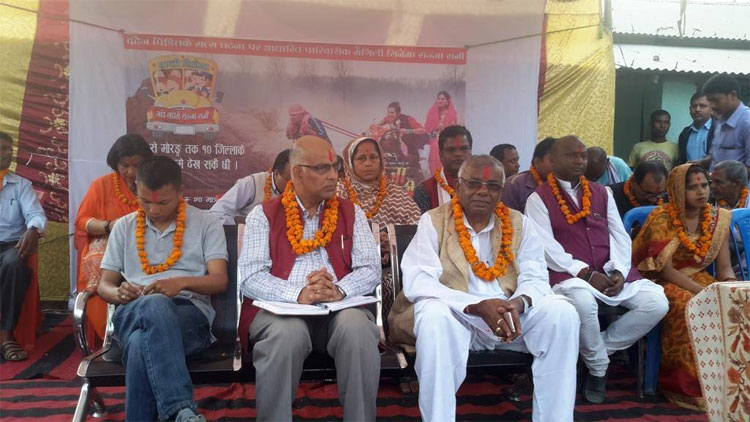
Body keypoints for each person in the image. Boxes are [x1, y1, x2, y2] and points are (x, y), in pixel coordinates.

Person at [388, 155, 579, 422]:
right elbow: (419, 280)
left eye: (492, 186)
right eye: (474, 183)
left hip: (510, 320)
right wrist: (474, 306)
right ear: (458, 185)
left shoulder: (519, 223)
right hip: (458, 318)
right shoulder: (434, 221)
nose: (482, 191)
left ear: (501, 190)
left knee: (563, 313)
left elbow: (535, 276)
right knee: (432, 316)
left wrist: (518, 304)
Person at [239, 136, 381, 421]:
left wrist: (339, 289)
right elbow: (250, 276)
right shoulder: (263, 215)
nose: (333, 176)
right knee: (286, 335)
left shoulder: (351, 212)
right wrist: (298, 294)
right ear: (298, 173)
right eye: (322, 168)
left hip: (340, 309)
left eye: (335, 167)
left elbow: (370, 268)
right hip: (281, 312)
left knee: (358, 330)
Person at [525, 136, 668, 404]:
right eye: (572, 155)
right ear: (553, 160)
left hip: (609, 272)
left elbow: (619, 235)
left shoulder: (602, 193)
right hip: (568, 275)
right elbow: (545, 247)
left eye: (582, 155)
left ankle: (594, 351)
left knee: (657, 303)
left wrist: (619, 271)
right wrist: (586, 274)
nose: (580, 160)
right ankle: (598, 369)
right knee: (583, 303)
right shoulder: (538, 198)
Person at [97, 155, 228, 421]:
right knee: (153, 304)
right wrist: (118, 293)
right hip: (132, 311)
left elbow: (219, 280)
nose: (153, 210)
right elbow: (104, 285)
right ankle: (181, 409)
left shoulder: (207, 223)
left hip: (189, 316)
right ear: (136, 191)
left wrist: (179, 283)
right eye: (145, 201)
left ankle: (174, 412)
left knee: (139, 343)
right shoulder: (124, 227)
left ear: (180, 192)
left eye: (162, 202)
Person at [632, 163, 735, 410]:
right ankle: (689, 389)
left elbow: (724, 269)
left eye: (704, 185)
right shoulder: (663, 218)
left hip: (701, 280)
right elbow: (665, 270)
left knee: (737, 306)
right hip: (663, 282)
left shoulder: (718, 219)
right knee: (692, 305)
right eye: (692, 187)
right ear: (678, 190)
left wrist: (732, 289)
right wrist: (704, 294)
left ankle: (730, 384)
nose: (701, 192)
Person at [74, 134, 154, 342]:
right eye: (124, 165)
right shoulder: (101, 185)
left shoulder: (156, 184)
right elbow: (82, 221)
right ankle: (108, 336)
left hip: (151, 244)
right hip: (111, 245)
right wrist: (109, 226)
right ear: (115, 164)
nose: (131, 172)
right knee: (98, 261)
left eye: (137, 165)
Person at [337, 136, 421, 268]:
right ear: (349, 163)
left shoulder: (393, 190)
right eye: (361, 158)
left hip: (394, 267)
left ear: (381, 160)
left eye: (373, 157)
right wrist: (371, 242)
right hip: (350, 267)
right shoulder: (339, 192)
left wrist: (393, 241)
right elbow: (333, 233)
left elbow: (417, 228)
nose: (368, 163)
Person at [0, 132, 46, 361]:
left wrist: (33, 230)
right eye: (2, 148)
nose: (8, 153)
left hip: (10, 245)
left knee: (14, 265)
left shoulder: (21, 185)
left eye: (10, 149)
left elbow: (35, 214)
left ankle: (5, 335)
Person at [209, 149, 291, 225]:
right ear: (276, 173)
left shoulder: (298, 191)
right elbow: (216, 214)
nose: (294, 185)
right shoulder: (251, 183)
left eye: (297, 179)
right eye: (289, 180)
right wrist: (244, 225)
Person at [413, 125, 472, 214]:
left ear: (471, 152)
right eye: (451, 150)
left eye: (464, 149)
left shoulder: (483, 187)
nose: (458, 154)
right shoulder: (424, 190)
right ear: (440, 155)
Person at [703, 74, 750, 171]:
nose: (712, 105)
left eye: (715, 100)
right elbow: (715, 156)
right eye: (709, 101)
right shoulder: (720, 121)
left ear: (732, 95)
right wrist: (698, 164)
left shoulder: (747, 123)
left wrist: (724, 177)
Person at [501, 137, 556, 213]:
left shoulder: (567, 184)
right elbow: (508, 217)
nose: (559, 164)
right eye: (552, 160)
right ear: (537, 162)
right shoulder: (514, 185)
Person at [378, 101, 428, 174]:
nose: (389, 114)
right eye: (388, 112)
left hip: (416, 148)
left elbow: (423, 130)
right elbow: (378, 125)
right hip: (403, 149)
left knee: (419, 169)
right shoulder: (388, 118)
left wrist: (408, 131)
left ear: (398, 113)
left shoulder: (409, 119)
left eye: (392, 113)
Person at [424, 91, 458, 174]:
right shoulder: (432, 112)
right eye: (439, 99)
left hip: (447, 139)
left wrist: (447, 127)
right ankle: (436, 176)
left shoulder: (452, 113)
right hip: (434, 139)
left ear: (447, 101)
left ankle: (445, 177)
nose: (440, 101)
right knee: (435, 150)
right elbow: (427, 127)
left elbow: (454, 129)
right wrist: (436, 127)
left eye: (443, 99)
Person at [677, 92, 714, 166]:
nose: (697, 109)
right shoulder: (685, 133)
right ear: (689, 109)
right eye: (694, 106)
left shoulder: (721, 131)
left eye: (702, 106)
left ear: (712, 109)